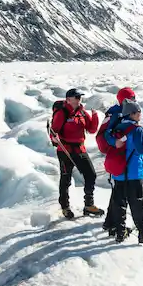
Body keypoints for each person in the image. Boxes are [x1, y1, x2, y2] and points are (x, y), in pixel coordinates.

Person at [107, 99, 143, 244]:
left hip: (119, 173)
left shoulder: (118, 126)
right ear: (132, 114)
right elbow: (141, 150)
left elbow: (113, 141)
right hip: (133, 172)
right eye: (139, 112)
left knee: (119, 203)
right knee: (138, 204)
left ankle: (120, 231)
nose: (141, 114)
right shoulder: (136, 129)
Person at [49, 88, 104, 219]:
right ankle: (65, 206)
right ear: (68, 99)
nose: (79, 99)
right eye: (76, 97)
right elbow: (53, 131)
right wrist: (54, 139)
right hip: (65, 151)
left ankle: (89, 205)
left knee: (90, 175)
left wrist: (95, 115)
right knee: (66, 178)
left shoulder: (82, 113)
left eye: (80, 97)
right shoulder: (62, 113)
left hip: (80, 149)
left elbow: (91, 129)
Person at [101, 87, 136, 237]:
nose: (134, 100)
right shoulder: (118, 113)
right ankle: (117, 227)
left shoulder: (119, 111)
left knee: (117, 192)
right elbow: (108, 133)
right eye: (132, 97)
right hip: (119, 156)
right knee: (120, 194)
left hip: (119, 155)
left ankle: (110, 222)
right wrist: (115, 142)